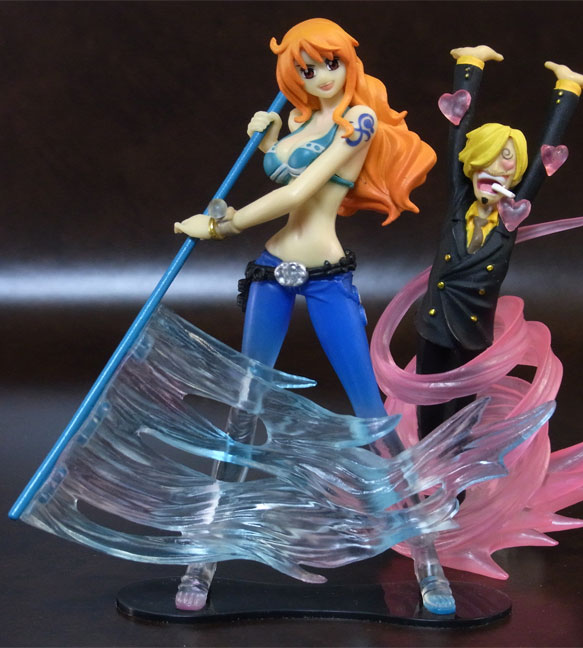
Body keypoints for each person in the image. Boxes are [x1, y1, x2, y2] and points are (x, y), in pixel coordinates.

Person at [174, 19, 458, 615]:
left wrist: (221, 225)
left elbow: (300, 192)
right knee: (243, 405)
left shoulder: (360, 121)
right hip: (270, 271)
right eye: (306, 69)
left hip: (327, 276)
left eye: (330, 63)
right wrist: (271, 135)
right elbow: (282, 171)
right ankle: (205, 555)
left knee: (370, 411)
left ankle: (427, 558)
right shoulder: (302, 119)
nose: (321, 77)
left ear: (348, 62)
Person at [415, 45, 583, 437]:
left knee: (464, 409)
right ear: (471, 166)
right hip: (433, 322)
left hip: (472, 331)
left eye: (506, 162)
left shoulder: (511, 215)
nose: (494, 170)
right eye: (485, 161)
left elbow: (543, 159)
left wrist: (568, 88)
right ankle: (426, 459)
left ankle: (458, 464)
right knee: (428, 398)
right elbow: (457, 132)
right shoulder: (459, 201)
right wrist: (470, 64)